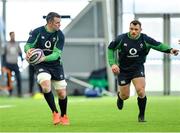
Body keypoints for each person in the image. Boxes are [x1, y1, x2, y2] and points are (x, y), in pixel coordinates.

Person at [108, 20, 179, 122]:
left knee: (141, 91)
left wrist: (170, 50)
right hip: (123, 70)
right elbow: (110, 48)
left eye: (136, 29)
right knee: (125, 96)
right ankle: (120, 97)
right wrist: (113, 64)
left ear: (140, 30)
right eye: (131, 29)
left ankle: (141, 116)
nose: (133, 31)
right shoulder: (121, 39)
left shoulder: (145, 39)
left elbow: (158, 45)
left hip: (137, 68)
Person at [24, 12, 69, 125]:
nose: (59, 25)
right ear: (49, 22)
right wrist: (28, 50)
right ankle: (54, 113)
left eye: (60, 22)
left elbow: (56, 54)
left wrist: (43, 58)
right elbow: (28, 45)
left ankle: (64, 116)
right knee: (45, 86)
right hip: (41, 65)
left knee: (62, 94)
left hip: (55, 65)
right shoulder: (37, 31)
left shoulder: (60, 35)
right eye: (57, 23)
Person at [3, 31, 23, 97]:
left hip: (15, 64)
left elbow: (20, 53)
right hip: (8, 64)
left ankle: (19, 93)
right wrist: (3, 65)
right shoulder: (7, 45)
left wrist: (22, 60)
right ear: (10, 36)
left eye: (14, 35)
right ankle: (10, 93)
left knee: (19, 78)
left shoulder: (17, 44)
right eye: (12, 35)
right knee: (9, 80)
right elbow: (4, 55)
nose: (13, 36)